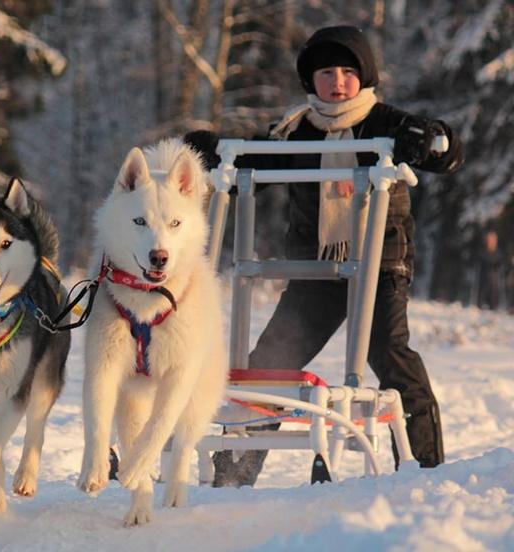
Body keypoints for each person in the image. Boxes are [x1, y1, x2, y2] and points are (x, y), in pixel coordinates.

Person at [186, 25, 464, 486]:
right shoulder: (296, 131)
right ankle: (234, 472)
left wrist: (433, 139)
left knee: (388, 353)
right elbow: (255, 159)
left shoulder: (386, 124)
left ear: (365, 77)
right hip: (316, 270)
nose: (338, 82)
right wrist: (213, 151)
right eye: (327, 72)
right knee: (271, 360)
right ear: (309, 80)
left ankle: (424, 470)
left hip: (378, 265)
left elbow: (443, 153)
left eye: (349, 72)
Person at [477, 230, 503, 310]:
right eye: (490, 240)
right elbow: (481, 260)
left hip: (494, 275)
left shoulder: (498, 252)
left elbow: (500, 262)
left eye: (493, 240)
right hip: (484, 274)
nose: (491, 242)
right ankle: (481, 303)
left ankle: (493, 304)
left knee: (494, 281)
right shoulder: (483, 250)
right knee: (487, 280)